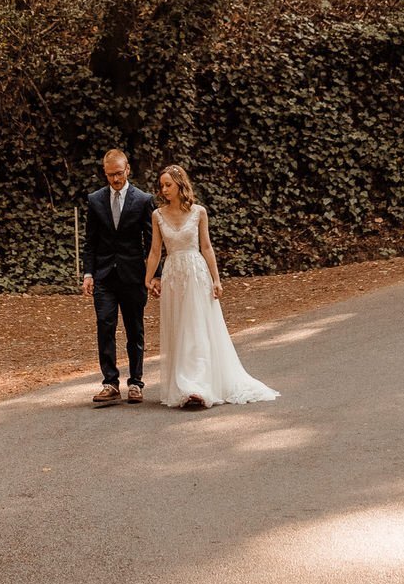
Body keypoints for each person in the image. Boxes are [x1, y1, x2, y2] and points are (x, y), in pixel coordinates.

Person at [148, 164, 279, 410]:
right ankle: (183, 385)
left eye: (168, 184)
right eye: (162, 185)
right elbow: (156, 251)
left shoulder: (199, 212)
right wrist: (148, 279)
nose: (164, 189)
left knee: (196, 327)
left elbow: (206, 247)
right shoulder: (157, 215)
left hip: (196, 274)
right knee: (179, 329)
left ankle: (197, 386)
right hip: (173, 276)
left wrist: (216, 279)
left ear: (180, 185)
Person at [81, 148, 155, 405]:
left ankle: (136, 383)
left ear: (128, 170)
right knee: (105, 326)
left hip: (133, 276)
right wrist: (88, 273)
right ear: (104, 172)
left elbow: (152, 243)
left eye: (119, 173)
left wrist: (153, 275)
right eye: (110, 174)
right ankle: (110, 382)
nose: (115, 179)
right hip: (104, 276)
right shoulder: (95, 199)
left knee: (135, 330)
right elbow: (90, 241)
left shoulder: (144, 200)